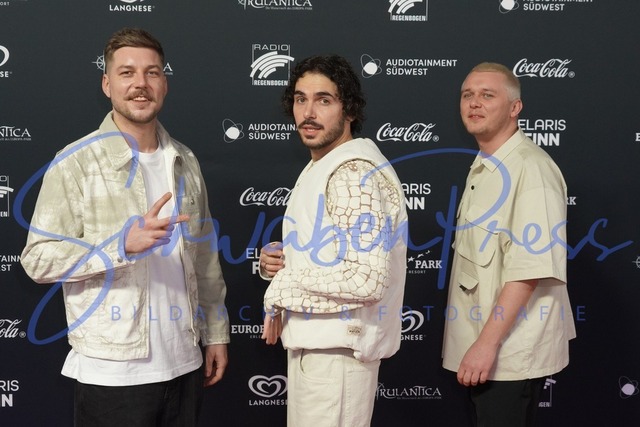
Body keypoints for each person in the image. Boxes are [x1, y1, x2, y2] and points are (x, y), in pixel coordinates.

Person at [21, 28, 229, 426]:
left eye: (152, 72)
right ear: (107, 84)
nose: (140, 84)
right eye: (127, 72)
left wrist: (216, 333)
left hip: (185, 363)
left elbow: (204, 259)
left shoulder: (185, 161)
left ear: (164, 83)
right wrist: (120, 246)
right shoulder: (76, 161)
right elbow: (38, 259)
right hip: (112, 373)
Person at [258, 55, 408, 427]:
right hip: (322, 352)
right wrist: (286, 262)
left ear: (349, 110)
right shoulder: (325, 165)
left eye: (324, 100)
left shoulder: (351, 172)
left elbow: (367, 279)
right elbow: (335, 259)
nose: (308, 112)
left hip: (338, 358)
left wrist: (283, 288)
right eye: (300, 99)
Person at [442, 62, 576, 426]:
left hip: (508, 354)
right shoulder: (486, 165)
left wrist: (487, 345)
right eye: (467, 95)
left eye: (487, 95)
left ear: (515, 107)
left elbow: (528, 270)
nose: (474, 103)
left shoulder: (530, 169)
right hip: (488, 349)